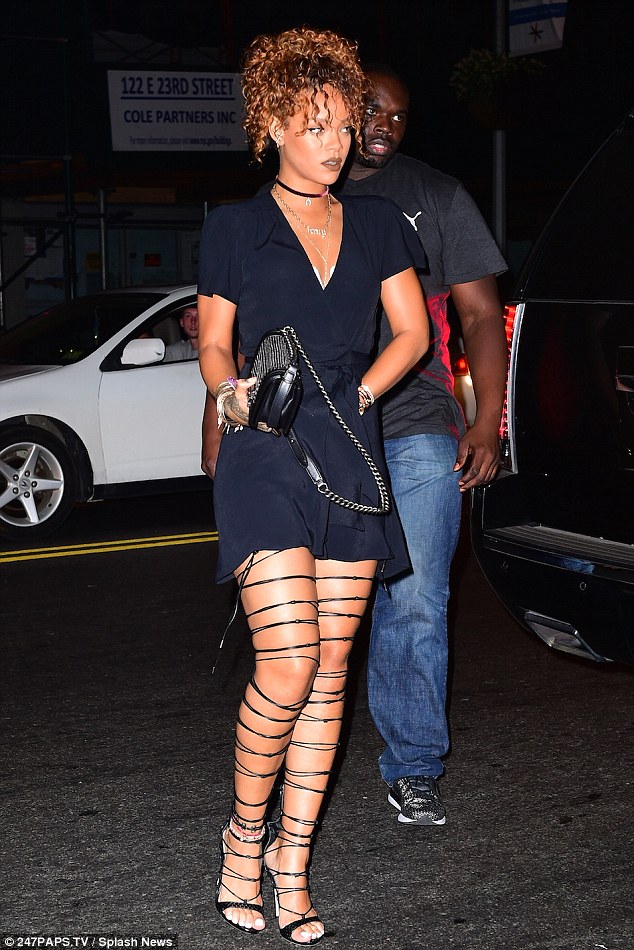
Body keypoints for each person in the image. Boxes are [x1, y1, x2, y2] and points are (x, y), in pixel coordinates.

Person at [197, 29, 429, 944]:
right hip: (264, 447)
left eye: (344, 124)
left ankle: (291, 869)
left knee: (331, 674)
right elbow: (215, 341)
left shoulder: (378, 223)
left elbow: (412, 334)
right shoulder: (234, 226)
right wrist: (232, 395)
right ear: (273, 129)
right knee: (291, 660)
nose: (336, 142)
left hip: (351, 454)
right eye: (315, 124)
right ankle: (240, 839)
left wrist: (360, 396)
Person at [338, 66, 508, 825]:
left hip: (417, 424)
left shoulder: (436, 195)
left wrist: (486, 421)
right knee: (320, 607)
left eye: (399, 115)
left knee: (415, 600)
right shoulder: (303, 191)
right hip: (323, 430)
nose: (384, 124)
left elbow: (480, 316)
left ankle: (414, 767)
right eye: (371, 109)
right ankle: (285, 765)